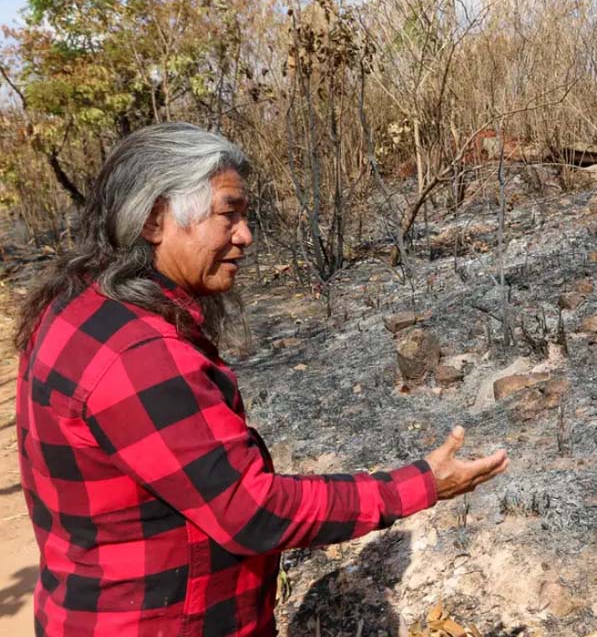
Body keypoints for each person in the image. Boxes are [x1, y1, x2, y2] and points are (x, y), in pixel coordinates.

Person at [14, 122, 508, 636]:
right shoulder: (138, 354)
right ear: (156, 218)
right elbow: (251, 512)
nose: (245, 235)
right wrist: (416, 485)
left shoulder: (78, 306)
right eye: (228, 213)